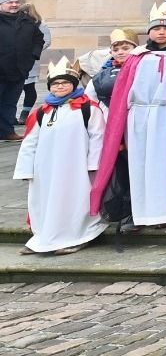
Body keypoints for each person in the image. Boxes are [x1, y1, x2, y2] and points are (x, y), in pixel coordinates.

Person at [97, 1, 166, 230]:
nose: (161, 32)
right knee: (140, 165)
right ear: (149, 31)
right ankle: (142, 213)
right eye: (156, 28)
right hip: (137, 118)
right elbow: (123, 90)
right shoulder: (137, 56)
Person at [16, 58, 108, 255]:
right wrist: (26, 169)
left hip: (76, 167)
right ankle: (43, 237)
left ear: (73, 84)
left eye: (65, 83)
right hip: (46, 169)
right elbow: (30, 141)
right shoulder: (42, 112)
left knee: (74, 201)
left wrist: (93, 165)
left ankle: (77, 236)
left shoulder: (88, 109)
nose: (60, 86)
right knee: (45, 202)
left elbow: (97, 137)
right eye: (56, 83)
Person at [0, 0, 48, 140]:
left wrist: (32, 56)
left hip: (19, 70)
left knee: (10, 103)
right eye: (10, 2)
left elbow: (39, 39)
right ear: (1, 5)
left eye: (16, 2)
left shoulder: (27, 21)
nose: (14, 5)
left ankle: (7, 131)